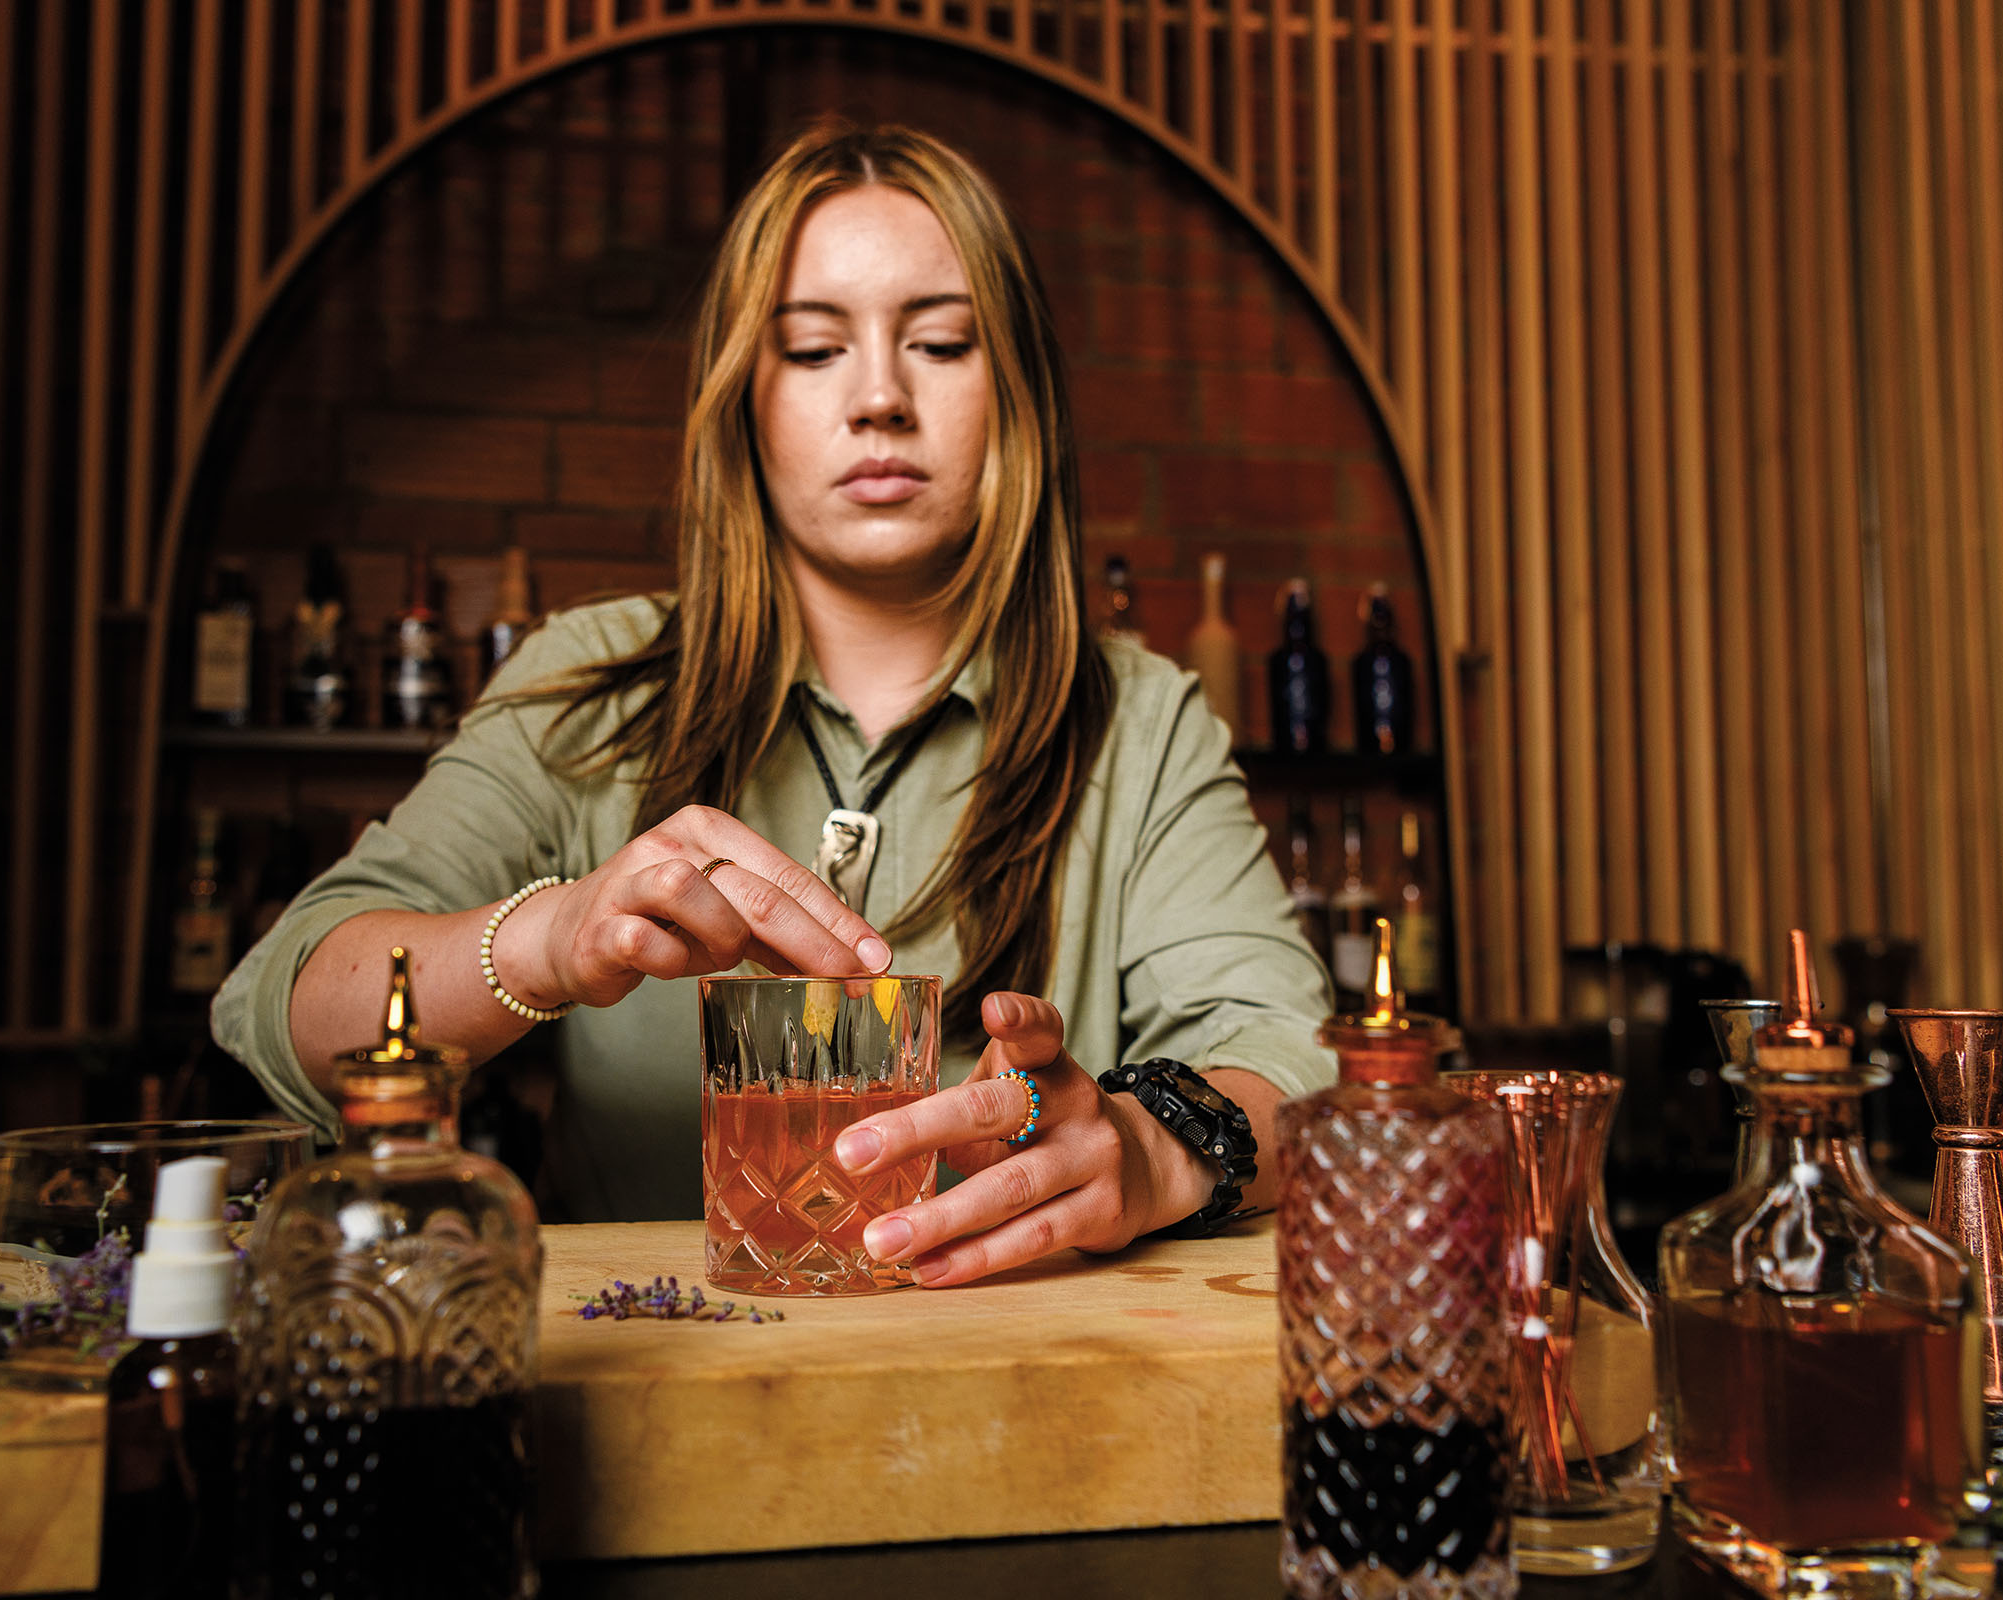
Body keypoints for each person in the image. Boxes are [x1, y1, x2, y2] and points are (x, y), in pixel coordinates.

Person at [213, 119, 1336, 1288]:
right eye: (811, 350)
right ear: (743, 397)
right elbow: (288, 1000)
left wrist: (1154, 1150)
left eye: (943, 343)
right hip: (652, 1384)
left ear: (1019, 394)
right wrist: (552, 938)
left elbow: (1299, 1059)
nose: (881, 398)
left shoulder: (1139, 718)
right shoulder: (588, 680)